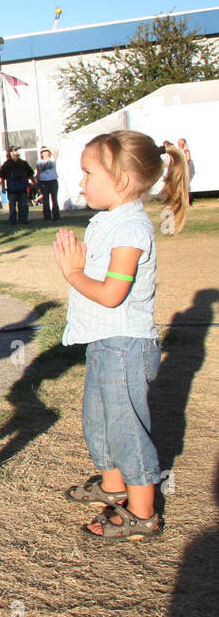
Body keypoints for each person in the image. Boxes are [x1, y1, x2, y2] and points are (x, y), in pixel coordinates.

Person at [54, 131, 189, 541]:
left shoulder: (131, 228)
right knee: (100, 421)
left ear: (123, 181)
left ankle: (143, 512)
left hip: (125, 345)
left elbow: (112, 295)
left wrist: (74, 273)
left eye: (88, 173)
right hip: (105, 342)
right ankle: (113, 487)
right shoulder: (110, 219)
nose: (81, 182)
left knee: (126, 426)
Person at [0, 146, 34, 226]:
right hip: (12, 189)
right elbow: (2, 176)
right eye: (15, 151)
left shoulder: (23, 163)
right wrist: (3, 187)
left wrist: (34, 183)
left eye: (17, 151)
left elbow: (30, 174)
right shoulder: (7, 164)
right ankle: (13, 221)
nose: (17, 152)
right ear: (10, 153)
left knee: (24, 205)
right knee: (12, 206)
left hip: (23, 188)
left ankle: (23, 220)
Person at [36, 146, 60, 221]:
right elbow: (38, 173)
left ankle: (56, 217)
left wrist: (49, 148)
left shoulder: (52, 160)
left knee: (54, 200)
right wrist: (38, 183)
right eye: (43, 152)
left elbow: (57, 151)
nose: (45, 153)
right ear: (41, 153)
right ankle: (47, 218)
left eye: (46, 151)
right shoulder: (39, 162)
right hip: (44, 182)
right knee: (46, 200)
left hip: (53, 180)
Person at [178, 137, 194, 206]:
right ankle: (181, 201)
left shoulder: (186, 151)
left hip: (185, 171)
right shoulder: (178, 151)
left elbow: (188, 160)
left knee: (186, 187)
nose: (179, 143)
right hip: (179, 171)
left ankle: (187, 202)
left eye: (180, 142)